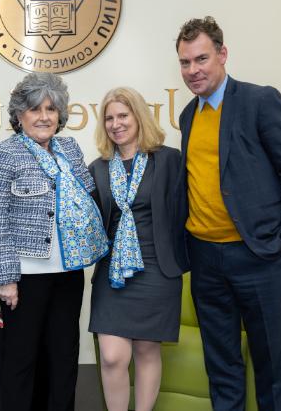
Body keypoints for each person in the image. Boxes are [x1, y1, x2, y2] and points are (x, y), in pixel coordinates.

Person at [175, 16, 281, 411]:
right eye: (185, 63)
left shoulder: (259, 101)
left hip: (259, 257)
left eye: (201, 59)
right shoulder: (189, 115)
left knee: (270, 366)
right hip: (205, 261)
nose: (193, 70)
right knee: (221, 367)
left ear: (222, 54)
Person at [0, 72, 109, 411]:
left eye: (51, 109)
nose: (44, 116)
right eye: (35, 109)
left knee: (64, 355)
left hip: (68, 273)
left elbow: (87, 199)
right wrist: (4, 279)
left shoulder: (69, 149)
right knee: (21, 360)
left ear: (61, 115)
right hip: (24, 279)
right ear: (19, 115)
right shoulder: (0, 155)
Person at [87, 87, 187, 411]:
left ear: (138, 116)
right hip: (112, 275)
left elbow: (189, 209)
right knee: (113, 357)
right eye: (110, 118)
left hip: (157, 271)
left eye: (123, 115)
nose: (116, 124)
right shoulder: (99, 168)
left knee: (147, 351)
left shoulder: (169, 160)